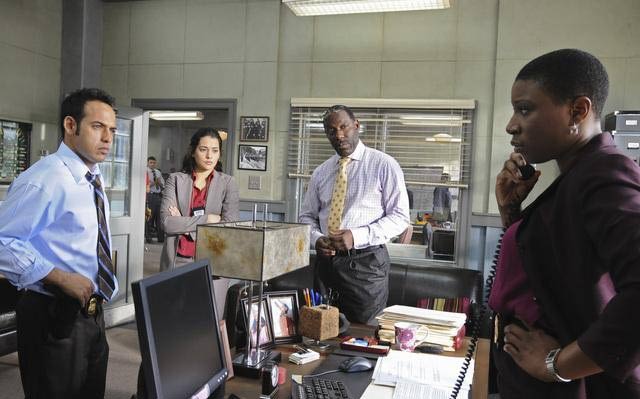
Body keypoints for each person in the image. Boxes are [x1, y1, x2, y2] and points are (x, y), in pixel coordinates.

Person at [489, 49, 640, 398]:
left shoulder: (604, 174)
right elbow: (549, 266)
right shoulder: (576, 176)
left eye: (525, 109)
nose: (512, 124)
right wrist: (511, 212)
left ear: (577, 111)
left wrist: (557, 365)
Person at [0, 88, 118, 398]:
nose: (107, 137)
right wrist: (61, 277)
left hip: (91, 313)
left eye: (112, 130)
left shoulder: (92, 176)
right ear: (70, 125)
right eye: (97, 127)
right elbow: (2, 242)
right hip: (52, 314)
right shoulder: (45, 179)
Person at [299, 104, 410, 324]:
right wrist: (316, 239)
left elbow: (400, 217)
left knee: (362, 335)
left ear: (356, 125)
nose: (339, 135)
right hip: (326, 266)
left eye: (344, 127)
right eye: (332, 130)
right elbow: (306, 217)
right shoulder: (321, 172)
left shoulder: (384, 165)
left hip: (366, 265)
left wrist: (356, 236)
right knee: (320, 330)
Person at [159, 128, 239, 313]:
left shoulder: (228, 183)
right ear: (193, 151)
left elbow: (230, 227)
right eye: (203, 149)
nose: (209, 156)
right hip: (177, 260)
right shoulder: (176, 180)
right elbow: (166, 223)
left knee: (209, 322)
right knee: (175, 320)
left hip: (214, 263)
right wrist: (209, 220)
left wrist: (184, 225)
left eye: (215, 150)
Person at [145, 156, 164, 243]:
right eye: (151, 162)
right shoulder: (145, 171)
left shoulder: (158, 172)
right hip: (150, 195)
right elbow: (146, 185)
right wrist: (153, 183)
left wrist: (159, 183)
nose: (152, 164)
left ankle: (161, 238)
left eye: (154, 163)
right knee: (150, 217)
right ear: (148, 163)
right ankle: (148, 237)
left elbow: (163, 184)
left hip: (158, 195)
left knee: (159, 217)